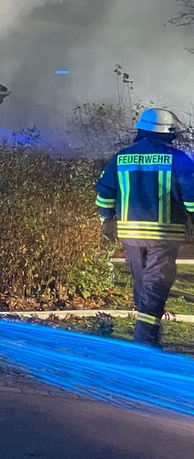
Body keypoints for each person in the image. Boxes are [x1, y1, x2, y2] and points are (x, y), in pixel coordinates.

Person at [96, 108, 194, 345]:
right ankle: (144, 343)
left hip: (130, 235)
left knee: (143, 288)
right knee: (155, 287)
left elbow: (104, 192)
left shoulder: (121, 157)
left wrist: (106, 220)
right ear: (168, 133)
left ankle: (149, 338)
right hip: (164, 236)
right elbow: (191, 196)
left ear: (141, 130)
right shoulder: (179, 159)